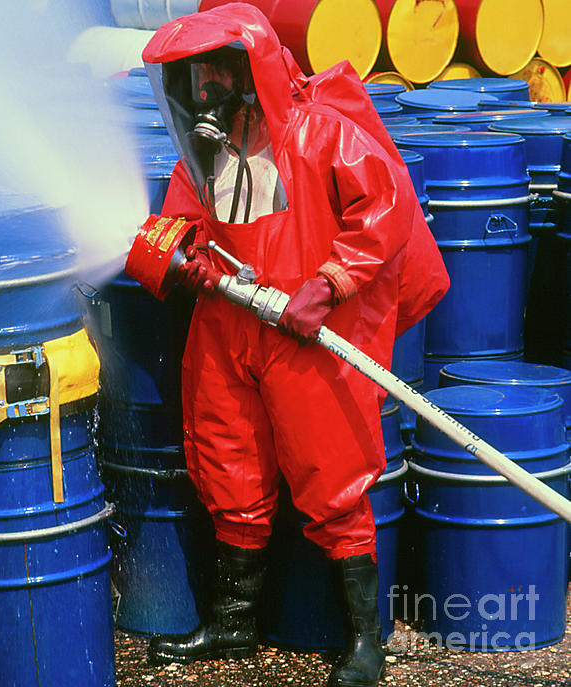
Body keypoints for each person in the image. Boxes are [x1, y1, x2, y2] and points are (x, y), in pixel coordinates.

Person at [128, 4, 450, 687]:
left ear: (253, 67)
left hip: (305, 336)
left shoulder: (320, 133)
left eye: (216, 69)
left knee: (333, 474)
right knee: (226, 462)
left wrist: (328, 284)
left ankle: (366, 640)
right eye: (193, 75)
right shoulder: (204, 152)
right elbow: (175, 228)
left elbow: (386, 210)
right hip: (228, 328)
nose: (204, 86)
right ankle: (235, 624)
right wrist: (178, 259)